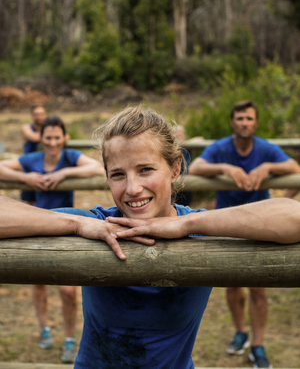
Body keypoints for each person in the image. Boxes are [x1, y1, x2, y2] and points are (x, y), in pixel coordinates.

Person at [0, 105, 300, 369]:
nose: (132, 188)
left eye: (145, 170)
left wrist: (187, 225)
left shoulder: (196, 226)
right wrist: (76, 225)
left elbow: (293, 217)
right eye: (118, 174)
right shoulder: (100, 222)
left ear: (175, 168)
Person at [188, 100, 300, 368]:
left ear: (256, 122)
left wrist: (268, 169)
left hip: (260, 226)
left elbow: (295, 169)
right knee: (232, 285)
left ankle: (258, 346)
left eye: (249, 118)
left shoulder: (265, 148)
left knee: (258, 289)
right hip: (225, 226)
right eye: (239, 118)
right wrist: (226, 169)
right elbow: (195, 168)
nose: (244, 123)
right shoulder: (221, 147)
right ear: (232, 122)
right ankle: (241, 332)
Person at [0, 115, 105, 363]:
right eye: (48, 137)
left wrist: (64, 174)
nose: (53, 142)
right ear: (41, 138)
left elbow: (97, 167)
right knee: (38, 284)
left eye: (57, 137)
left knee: (68, 290)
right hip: (34, 228)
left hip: (66, 229)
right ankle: (44, 327)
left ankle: (69, 338)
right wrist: (26, 178)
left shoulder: (69, 157)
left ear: (64, 138)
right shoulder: (33, 159)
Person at [20, 105, 47, 204]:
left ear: (45, 115)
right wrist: (54, 135)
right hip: (29, 167)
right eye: (36, 114)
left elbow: (66, 136)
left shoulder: (49, 129)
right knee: (30, 200)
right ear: (32, 115)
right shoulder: (26, 127)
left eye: (41, 114)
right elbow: (33, 137)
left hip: (45, 166)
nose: (39, 117)